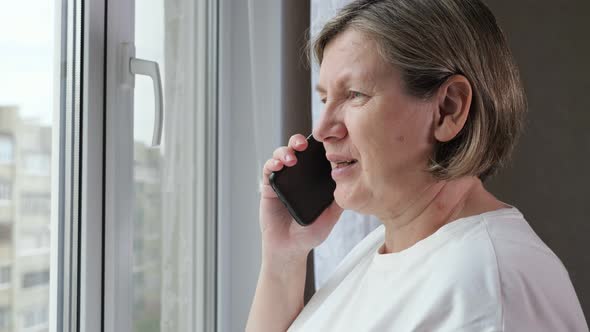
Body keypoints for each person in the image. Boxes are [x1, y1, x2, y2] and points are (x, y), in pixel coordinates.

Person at [246, 0, 589, 331]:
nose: (321, 130)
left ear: (448, 109)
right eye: (325, 100)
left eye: (355, 95)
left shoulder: (485, 291)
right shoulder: (390, 247)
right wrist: (284, 258)